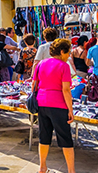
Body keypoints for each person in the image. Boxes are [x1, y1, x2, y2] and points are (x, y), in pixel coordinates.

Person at [32, 38, 76, 173]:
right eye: (68, 53)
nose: (69, 56)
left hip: (42, 103)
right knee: (65, 138)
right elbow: (66, 90)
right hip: (58, 104)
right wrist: (70, 109)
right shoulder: (64, 66)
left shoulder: (40, 64)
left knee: (44, 136)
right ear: (62, 51)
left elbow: (34, 84)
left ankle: (42, 166)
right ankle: (71, 170)